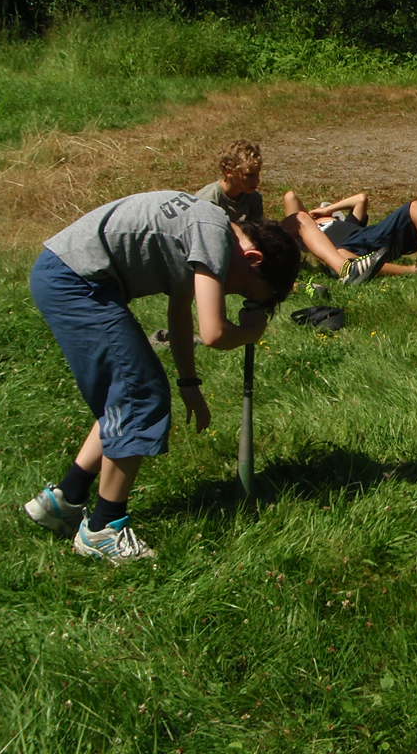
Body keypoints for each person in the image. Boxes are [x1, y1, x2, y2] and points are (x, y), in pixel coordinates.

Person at [23, 191, 301, 563]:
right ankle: (103, 530)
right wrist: (251, 332)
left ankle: (64, 500)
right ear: (253, 259)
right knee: (138, 395)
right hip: (76, 282)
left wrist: (189, 383)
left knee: (126, 392)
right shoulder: (213, 235)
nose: (231, 292)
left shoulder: (206, 229)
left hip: (68, 274)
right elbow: (214, 332)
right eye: (244, 292)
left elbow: (180, 315)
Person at [194, 140, 417, 288]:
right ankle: (370, 269)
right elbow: (206, 246)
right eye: (249, 175)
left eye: (258, 174)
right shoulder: (209, 199)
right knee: (336, 249)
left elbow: (259, 231)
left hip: (360, 237)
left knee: (413, 207)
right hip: (230, 258)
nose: (257, 181)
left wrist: (326, 211)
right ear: (228, 171)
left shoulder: (252, 198)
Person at [283, 190, 417, 289]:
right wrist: (307, 218)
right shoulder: (303, 236)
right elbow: (290, 197)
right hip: (343, 254)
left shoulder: (347, 222)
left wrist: (328, 210)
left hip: (366, 237)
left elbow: (361, 198)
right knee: (341, 255)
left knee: (413, 207)